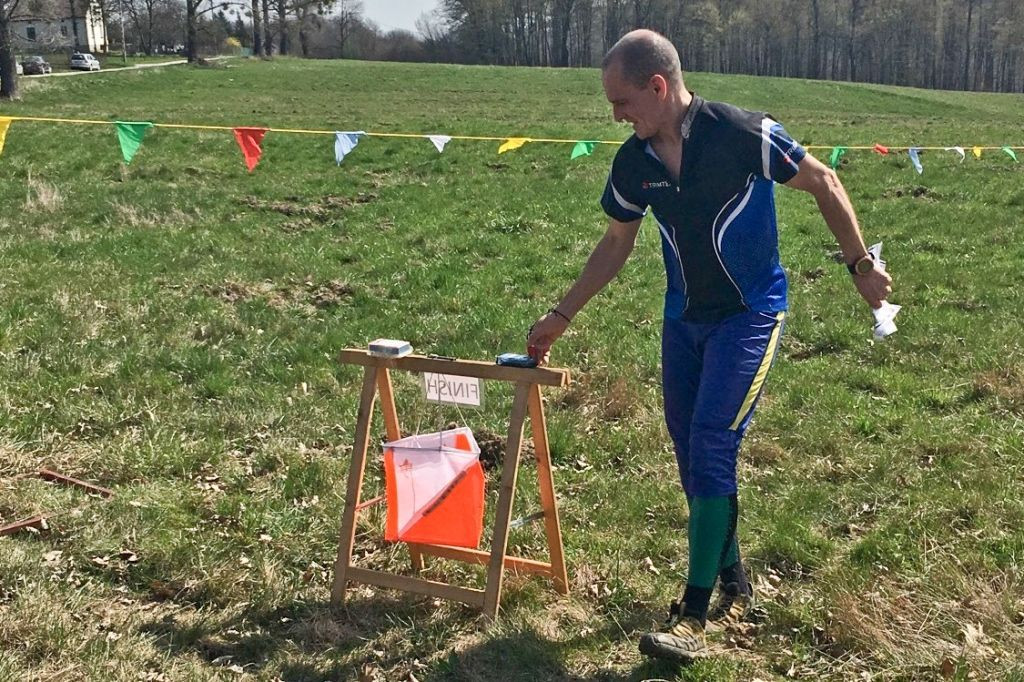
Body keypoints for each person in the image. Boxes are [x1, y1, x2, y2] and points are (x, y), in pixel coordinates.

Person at [526, 29, 893, 662]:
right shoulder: (633, 162)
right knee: (690, 453)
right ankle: (731, 576)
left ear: (658, 86)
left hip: (751, 314)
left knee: (712, 441)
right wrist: (561, 315)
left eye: (621, 102)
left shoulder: (742, 133)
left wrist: (861, 267)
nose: (615, 115)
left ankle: (693, 616)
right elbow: (616, 244)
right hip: (684, 320)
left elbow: (825, 181)